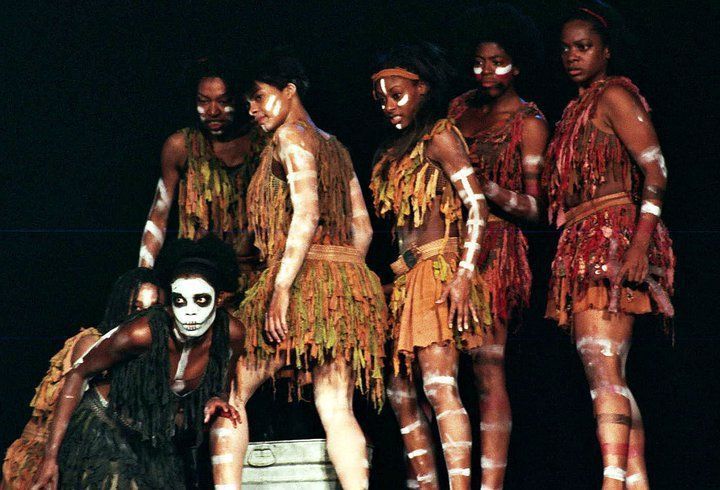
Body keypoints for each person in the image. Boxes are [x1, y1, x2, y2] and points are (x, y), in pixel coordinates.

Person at [207, 57, 387, 490]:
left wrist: (284, 288)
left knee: (232, 393)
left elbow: (306, 213)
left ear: (289, 89)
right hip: (347, 282)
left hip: (300, 277)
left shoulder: (290, 136)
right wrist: (343, 288)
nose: (253, 110)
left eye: (260, 97)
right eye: (248, 103)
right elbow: (363, 228)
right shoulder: (335, 145)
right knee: (337, 408)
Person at [543, 3, 675, 488]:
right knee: (607, 372)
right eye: (566, 48)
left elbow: (656, 169)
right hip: (583, 241)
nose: (572, 56)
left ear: (606, 51)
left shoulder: (615, 94)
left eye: (584, 47)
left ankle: (612, 481)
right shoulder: (575, 108)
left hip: (613, 238)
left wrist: (638, 246)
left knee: (603, 367)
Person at [369, 43, 491, 490]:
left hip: (438, 270)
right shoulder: (391, 151)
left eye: (397, 94)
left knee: (439, 387)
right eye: (382, 98)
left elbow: (476, 205)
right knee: (399, 393)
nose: (389, 105)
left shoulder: (440, 136)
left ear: (422, 88)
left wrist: (464, 274)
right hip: (403, 279)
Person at [32, 236, 244, 489]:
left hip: (155, 441)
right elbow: (78, 374)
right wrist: (51, 457)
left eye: (201, 300)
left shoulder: (231, 334)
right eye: (180, 300)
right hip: (106, 426)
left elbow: (223, 381)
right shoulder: (141, 333)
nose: (189, 311)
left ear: (218, 299)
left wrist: (217, 398)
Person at [447, 5, 549, 487]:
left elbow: (537, 207)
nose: (486, 72)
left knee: (487, 367)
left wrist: (485, 188)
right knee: (445, 371)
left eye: (498, 62)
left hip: (497, 250)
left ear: (518, 65)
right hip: (447, 245)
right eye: (478, 63)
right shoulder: (458, 111)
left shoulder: (528, 121)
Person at [2, 268, 161, 489]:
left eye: (153, 309)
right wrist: (50, 459)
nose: (144, 317)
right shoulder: (93, 344)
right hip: (54, 455)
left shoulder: (154, 356)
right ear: (121, 306)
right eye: (136, 307)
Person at [138, 57, 265, 297]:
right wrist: (144, 276)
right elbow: (159, 215)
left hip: (256, 277)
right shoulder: (181, 146)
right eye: (203, 101)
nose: (213, 111)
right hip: (197, 278)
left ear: (240, 100)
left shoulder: (264, 144)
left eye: (223, 101)